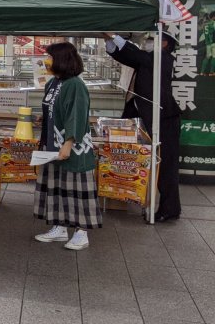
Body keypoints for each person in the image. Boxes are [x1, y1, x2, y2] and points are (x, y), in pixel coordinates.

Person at [104, 32, 182, 222]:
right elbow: (129, 56)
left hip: (164, 119)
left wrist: (114, 36)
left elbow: (136, 55)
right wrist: (109, 40)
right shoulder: (148, 59)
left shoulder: (163, 59)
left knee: (165, 166)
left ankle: (170, 209)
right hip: (145, 116)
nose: (146, 43)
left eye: (151, 40)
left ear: (164, 43)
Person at [34, 41, 99, 250]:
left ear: (61, 59)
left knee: (77, 189)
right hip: (52, 145)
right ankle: (60, 227)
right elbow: (56, 110)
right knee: (57, 187)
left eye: (49, 57)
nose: (46, 61)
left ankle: (82, 233)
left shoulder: (75, 84)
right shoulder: (53, 82)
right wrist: (43, 118)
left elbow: (77, 116)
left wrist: (68, 143)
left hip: (72, 148)